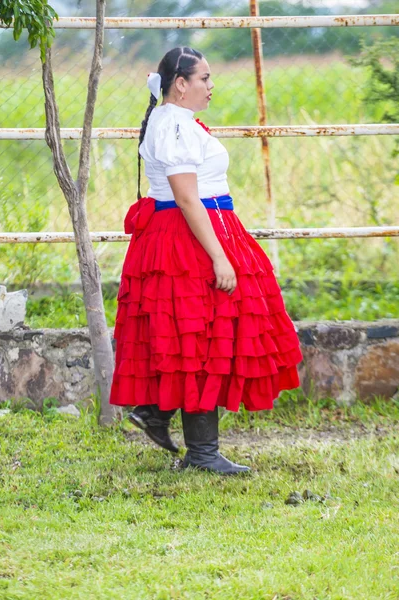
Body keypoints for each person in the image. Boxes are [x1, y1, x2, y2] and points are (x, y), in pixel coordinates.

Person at [109, 46, 304, 475]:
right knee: (202, 338)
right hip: (188, 239)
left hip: (197, 231)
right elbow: (185, 197)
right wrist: (219, 256)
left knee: (200, 337)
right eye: (204, 78)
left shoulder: (175, 120)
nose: (211, 87)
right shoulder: (174, 126)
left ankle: (161, 416)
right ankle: (197, 449)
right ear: (181, 84)